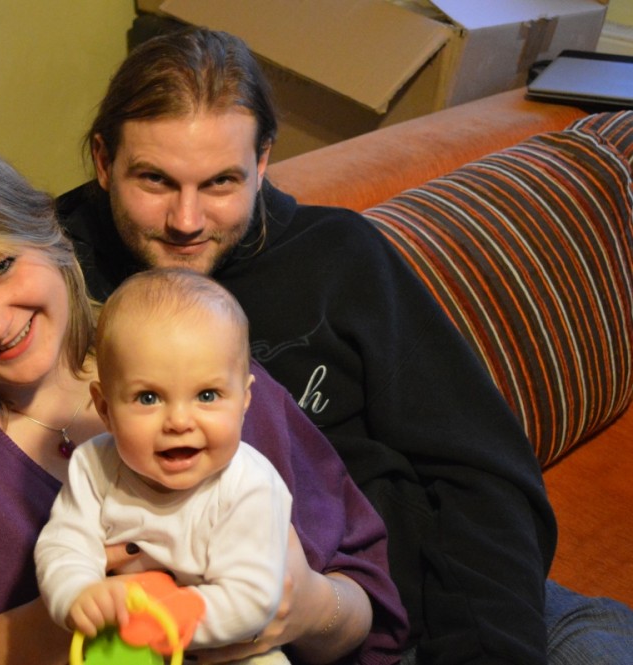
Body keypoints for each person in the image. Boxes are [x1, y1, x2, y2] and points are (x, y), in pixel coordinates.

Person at [55, 26, 633, 665]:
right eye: (155, 181)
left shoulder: (339, 255)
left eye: (220, 182)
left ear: (263, 161)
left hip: (466, 605)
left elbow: (483, 472)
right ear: (104, 161)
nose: (186, 221)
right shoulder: (50, 281)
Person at [0, 140, 408, 664]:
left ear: (50, 233)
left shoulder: (198, 359)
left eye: (1, 266)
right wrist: (52, 625)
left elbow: (369, 607)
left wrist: (308, 609)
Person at [36, 268, 293, 665]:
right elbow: (65, 544)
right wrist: (77, 593)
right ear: (105, 408)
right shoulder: (93, 465)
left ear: (244, 400)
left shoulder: (251, 484)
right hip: (125, 648)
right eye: (148, 398)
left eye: (207, 395)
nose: (179, 421)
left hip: (229, 653)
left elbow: (254, 596)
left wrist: (170, 616)